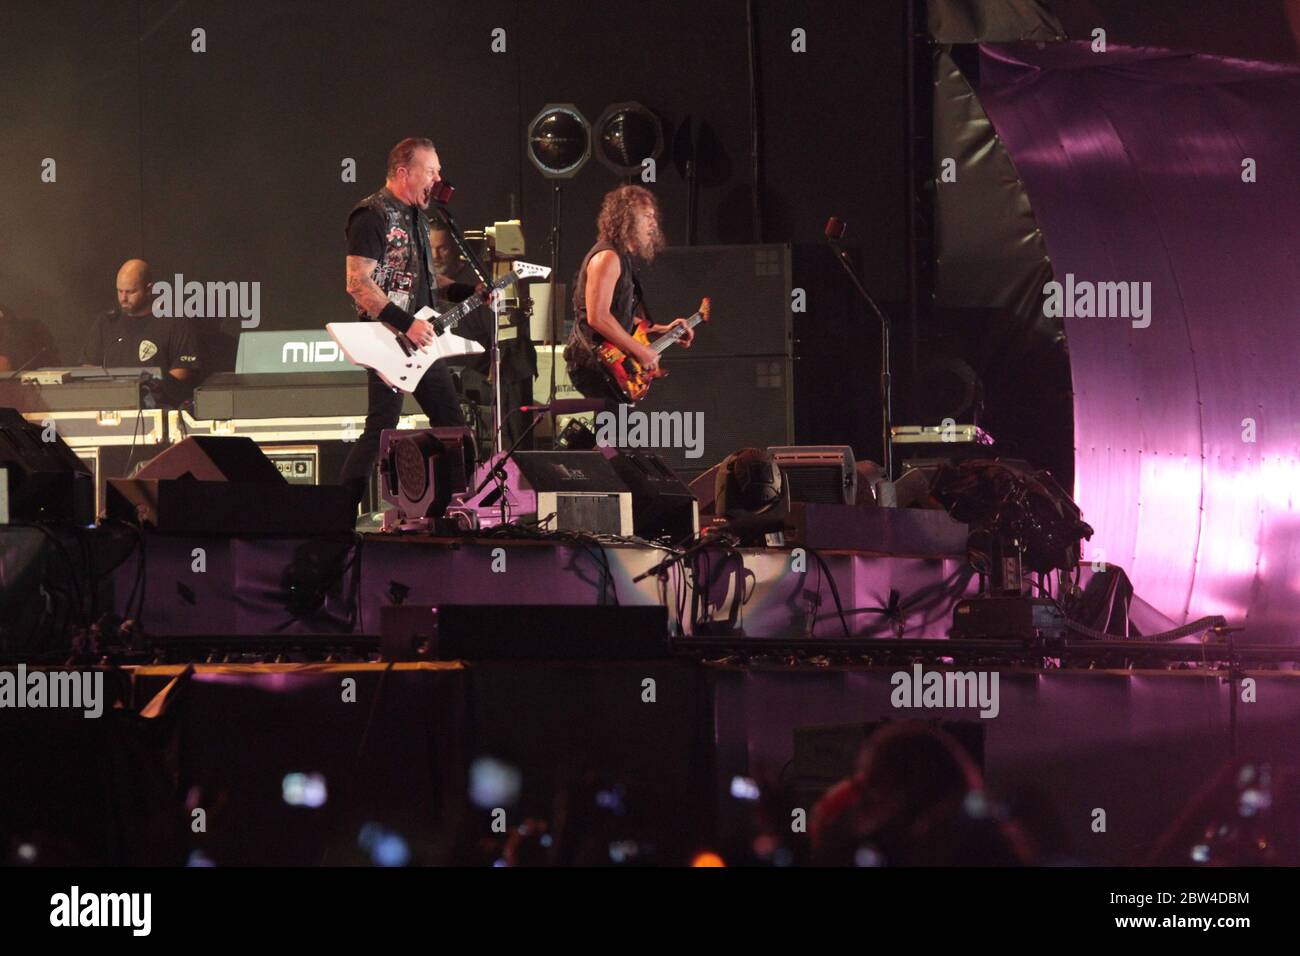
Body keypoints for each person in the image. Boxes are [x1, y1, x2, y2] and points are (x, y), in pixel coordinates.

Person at [338, 137, 482, 509]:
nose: (438, 179)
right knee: (380, 430)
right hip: (389, 340)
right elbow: (358, 283)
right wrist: (406, 324)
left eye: (438, 171)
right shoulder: (372, 214)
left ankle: (459, 508)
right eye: (431, 171)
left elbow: (424, 284)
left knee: (452, 427)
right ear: (404, 172)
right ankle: (337, 512)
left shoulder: (419, 215)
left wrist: (472, 290)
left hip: (420, 343)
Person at [563, 185, 695, 410]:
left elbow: (619, 316)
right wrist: (640, 350)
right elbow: (598, 317)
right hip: (594, 365)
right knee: (615, 438)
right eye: (646, 217)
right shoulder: (607, 257)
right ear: (626, 219)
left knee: (617, 438)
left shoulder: (622, 259)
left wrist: (663, 329)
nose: (653, 224)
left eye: (654, 217)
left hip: (609, 365)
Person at [430, 220, 537, 448]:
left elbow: (504, 340)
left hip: (484, 380)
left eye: (443, 248)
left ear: (457, 249)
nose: (436, 255)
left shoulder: (479, 280)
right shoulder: (425, 286)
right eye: (431, 248)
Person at [80, 259, 201, 404]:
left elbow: (182, 371)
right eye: (120, 291)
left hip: (158, 408)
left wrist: (148, 391)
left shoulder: (173, 322)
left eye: (130, 292)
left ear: (149, 289)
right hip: (110, 408)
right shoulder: (106, 322)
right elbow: (88, 367)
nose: (123, 298)